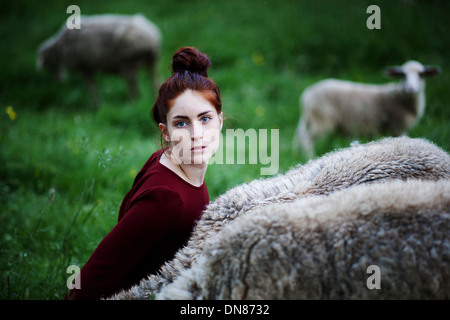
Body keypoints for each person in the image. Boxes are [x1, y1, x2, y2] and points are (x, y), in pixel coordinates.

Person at [65, 47, 223, 299]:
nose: (196, 133)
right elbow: (102, 267)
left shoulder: (164, 160)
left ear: (220, 121)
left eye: (205, 119)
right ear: (166, 132)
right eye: (181, 123)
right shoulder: (167, 198)